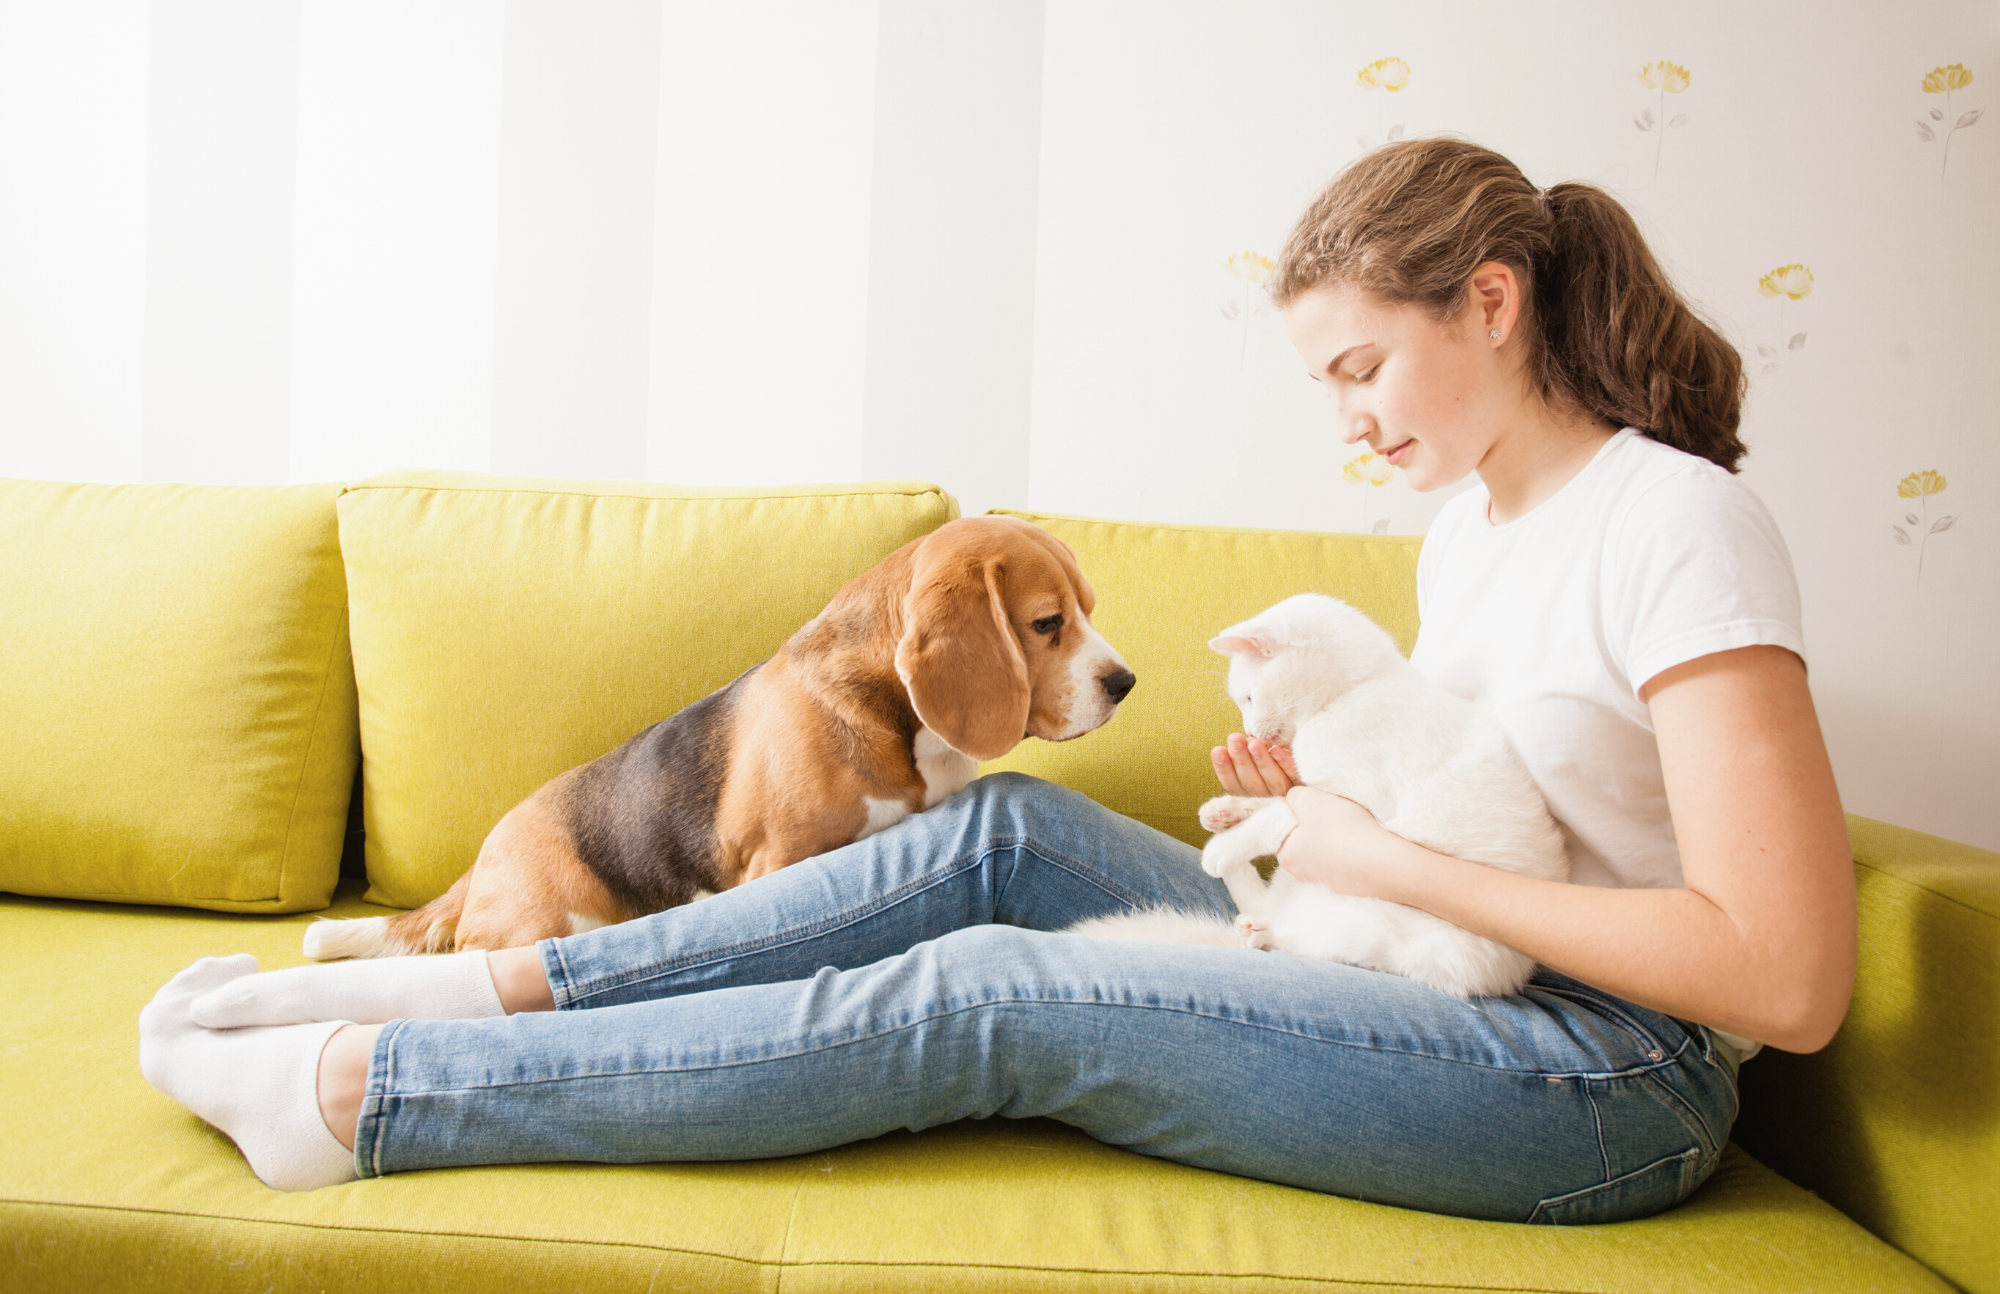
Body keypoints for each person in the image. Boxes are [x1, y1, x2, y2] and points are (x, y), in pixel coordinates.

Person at [138, 138, 1855, 1223]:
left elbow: (1784, 979)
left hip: (1602, 1080)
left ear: (1491, 304)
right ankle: (470, 991)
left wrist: (1382, 859)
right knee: (998, 836)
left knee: (996, 987)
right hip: (1436, 964)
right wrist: (1330, 816)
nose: (1349, 420)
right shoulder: (1471, 534)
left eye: (1361, 368)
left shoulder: (1681, 524)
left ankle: (383, 1095)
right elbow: (1513, 820)